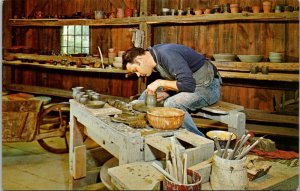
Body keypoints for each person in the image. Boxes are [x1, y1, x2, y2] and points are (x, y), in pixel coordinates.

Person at [122, 43, 222, 136]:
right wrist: (168, 92)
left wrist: (160, 83)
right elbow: (179, 78)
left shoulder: (167, 54)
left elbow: (188, 85)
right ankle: (143, 131)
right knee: (147, 93)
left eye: (136, 70)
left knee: (172, 103)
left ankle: (197, 140)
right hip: (192, 84)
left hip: (207, 87)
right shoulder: (155, 55)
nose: (138, 75)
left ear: (140, 60)